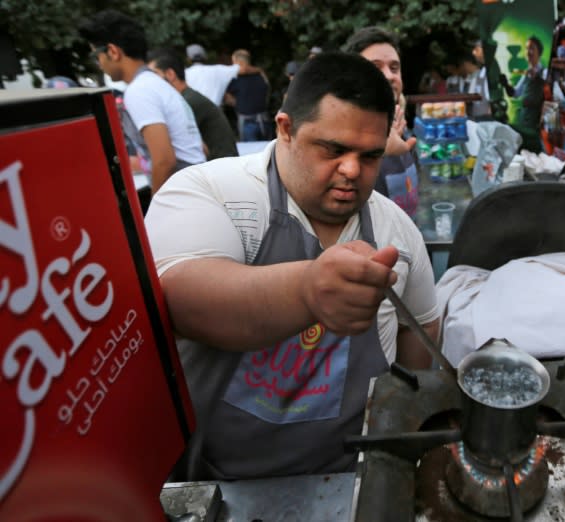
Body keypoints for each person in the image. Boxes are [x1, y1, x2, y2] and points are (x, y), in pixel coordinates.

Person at [145, 52, 440, 480]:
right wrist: (308, 290)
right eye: (333, 149)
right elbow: (179, 297)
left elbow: (422, 326)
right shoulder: (212, 192)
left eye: (370, 156)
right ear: (285, 129)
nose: (352, 170)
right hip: (219, 482)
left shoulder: (398, 230)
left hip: (351, 479)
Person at [79, 10, 206, 195]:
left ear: (113, 52)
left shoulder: (139, 91)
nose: (98, 64)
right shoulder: (157, 83)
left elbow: (164, 160)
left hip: (184, 193)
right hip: (196, 185)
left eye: (96, 56)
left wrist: (156, 207)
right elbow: (201, 146)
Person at [343, 27, 419, 218]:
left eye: (394, 68)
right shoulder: (341, 138)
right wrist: (377, 153)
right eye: (376, 67)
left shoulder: (402, 131)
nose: (389, 75)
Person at [147, 49, 238, 160]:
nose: (149, 81)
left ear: (170, 74)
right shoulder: (186, 98)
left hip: (220, 170)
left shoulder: (187, 102)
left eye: (154, 74)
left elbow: (170, 152)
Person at [501, 36, 546, 153]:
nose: (528, 52)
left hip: (536, 122)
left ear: (539, 52)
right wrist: (505, 84)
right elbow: (515, 93)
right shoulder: (526, 73)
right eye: (526, 48)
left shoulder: (544, 72)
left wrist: (538, 78)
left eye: (532, 48)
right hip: (524, 119)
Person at [184, 43, 263, 106]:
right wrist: (260, 70)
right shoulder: (218, 70)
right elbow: (244, 69)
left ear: (188, 59)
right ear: (205, 57)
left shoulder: (184, 74)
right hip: (214, 117)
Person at [226, 49, 273, 141]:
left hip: (247, 122)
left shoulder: (234, 78)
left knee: (250, 153)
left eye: (233, 62)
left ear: (238, 62)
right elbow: (268, 91)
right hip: (264, 119)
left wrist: (238, 103)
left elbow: (228, 98)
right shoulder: (261, 75)